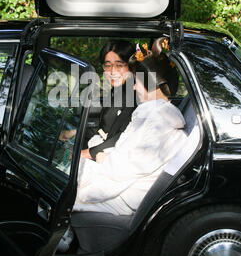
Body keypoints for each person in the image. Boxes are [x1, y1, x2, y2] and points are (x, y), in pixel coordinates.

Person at [73, 37, 188, 216]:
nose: (134, 87)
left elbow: (130, 166)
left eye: (138, 82)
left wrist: (103, 158)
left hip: (125, 194)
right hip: (117, 173)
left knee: (64, 188)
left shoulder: (158, 122)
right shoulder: (151, 114)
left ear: (154, 85)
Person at [81, 40, 137, 161]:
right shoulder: (117, 89)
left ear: (131, 66)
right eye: (107, 65)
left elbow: (122, 137)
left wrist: (88, 153)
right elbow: (105, 128)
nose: (112, 72)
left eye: (119, 65)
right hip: (100, 146)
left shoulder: (135, 96)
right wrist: (75, 132)